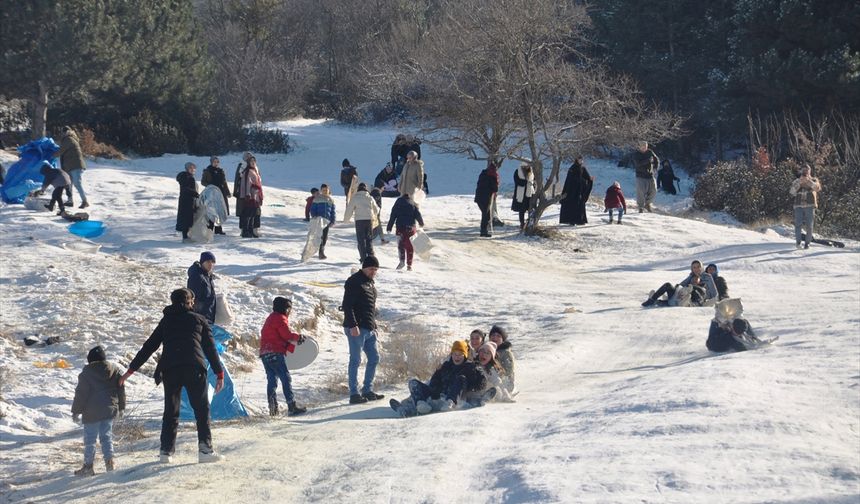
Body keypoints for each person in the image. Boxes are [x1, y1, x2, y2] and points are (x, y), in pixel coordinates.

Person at [119, 288, 225, 464]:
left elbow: (149, 346)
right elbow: (210, 348)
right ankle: (205, 451)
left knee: (171, 411)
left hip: (170, 369)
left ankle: (165, 452)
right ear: (190, 302)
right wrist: (219, 372)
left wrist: (130, 371)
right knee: (201, 409)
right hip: (194, 367)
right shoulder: (199, 320)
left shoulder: (166, 321)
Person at [391, 340, 485, 417]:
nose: (457, 357)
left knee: (460, 378)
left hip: (454, 400)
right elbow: (434, 382)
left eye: (460, 354)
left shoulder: (470, 367)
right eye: (455, 354)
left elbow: (479, 384)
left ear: (465, 355)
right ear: (451, 354)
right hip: (439, 397)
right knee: (413, 382)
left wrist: (477, 394)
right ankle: (420, 405)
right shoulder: (445, 366)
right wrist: (435, 388)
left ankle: (450, 403)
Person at [71, 345, 126, 476]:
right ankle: (110, 463)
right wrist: (122, 406)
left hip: (92, 412)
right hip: (108, 411)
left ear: (90, 360)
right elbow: (121, 389)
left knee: (90, 440)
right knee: (106, 438)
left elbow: (81, 394)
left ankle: (88, 467)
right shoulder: (115, 371)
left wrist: (76, 411)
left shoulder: (86, 374)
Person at [341, 256, 384, 404]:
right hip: (356, 328)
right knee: (355, 360)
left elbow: (369, 307)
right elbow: (347, 305)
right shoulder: (354, 281)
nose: (373, 272)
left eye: (376, 270)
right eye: (371, 269)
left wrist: (374, 325)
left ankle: (367, 390)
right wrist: (353, 325)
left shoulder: (370, 283)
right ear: (364, 267)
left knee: (374, 358)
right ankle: (354, 394)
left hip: (369, 327)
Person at [259, 296, 307, 416]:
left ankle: (273, 409)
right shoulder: (280, 318)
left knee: (272, 381)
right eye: (289, 309)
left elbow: (275, 336)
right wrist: (298, 337)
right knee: (285, 378)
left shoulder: (270, 318)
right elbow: (287, 335)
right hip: (275, 353)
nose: (290, 312)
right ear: (285, 309)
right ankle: (291, 405)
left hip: (265, 353)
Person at [641, 260, 718, 308]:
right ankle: (652, 300)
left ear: (702, 267)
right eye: (694, 267)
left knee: (693, 288)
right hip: (682, 296)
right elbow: (680, 285)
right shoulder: (691, 276)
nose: (696, 269)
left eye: (698, 267)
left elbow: (714, 294)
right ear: (692, 269)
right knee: (667, 285)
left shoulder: (707, 277)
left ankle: (683, 303)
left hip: (696, 298)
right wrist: (675, 289)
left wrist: (708, 300)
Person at [463, 341, 514, 406]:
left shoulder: (490, 369)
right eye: (482, 351)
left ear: (491, 358)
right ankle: (470, 399)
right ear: (478, 352)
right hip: (469, 391)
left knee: (495, 389)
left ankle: (483, 398)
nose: (484, 354)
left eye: (487, 353)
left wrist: (506, 396)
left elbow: (498, 382)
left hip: (482, 392)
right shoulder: (472, 364)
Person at [343, 182, 380, 263]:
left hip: (359, 221)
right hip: (369, 220)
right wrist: (373, 215)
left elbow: (349, 209)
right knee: (369, 239)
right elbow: (377, 209)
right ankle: (370, 257)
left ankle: (363, 258)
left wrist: (346, 220)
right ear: (366, 189)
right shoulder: (369, 197)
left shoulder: (355, 198)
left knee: (361, 240)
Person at [53, 126, 89, 209]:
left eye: (62, 132)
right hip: (70, 166)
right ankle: (70, 201)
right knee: (69, 184)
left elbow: (61, 151)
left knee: (77, 183)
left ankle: (85, 201)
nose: (61, 134)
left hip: (75, 165)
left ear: (66, 132)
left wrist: (50, 155)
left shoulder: (68, 139)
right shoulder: (69, 139)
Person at [387, 192, 424, 271]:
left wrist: (389, 227)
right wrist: (421, 223)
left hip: (400, 228)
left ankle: (402, 262)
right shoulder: (412, 204)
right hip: (411, 228)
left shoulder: (397, 203)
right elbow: (418, 214)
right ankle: (409, 265)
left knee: (401, 246)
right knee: (410, 247)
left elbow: (393, 216)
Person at [789, 164, 822, 249]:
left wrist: (808, 182)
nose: (805, 172)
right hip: (798, 205)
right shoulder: (796, 181)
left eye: (807, 170)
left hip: (810, 205)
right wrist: (799, 183)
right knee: (798, 224)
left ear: (809, 171)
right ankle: (798, 243)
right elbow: (792, 192)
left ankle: (807, 243)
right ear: (801, 171)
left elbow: (817, 188)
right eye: (804, 170)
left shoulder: (814, 180)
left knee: (809, 225)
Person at [559, 156, 595, 225]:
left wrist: (590, 179)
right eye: (579, 160)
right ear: (577, 160)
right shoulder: (572, 168)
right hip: (572, 191)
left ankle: (580, 220)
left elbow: (587, 177)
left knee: (580, 205)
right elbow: (570, 180)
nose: (581, 161)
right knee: (572, 206)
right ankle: (571, 221)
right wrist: (579, 181)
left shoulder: (583, 168)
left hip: (580, 191)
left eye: (582, 160)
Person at [201, 156, 231, 235]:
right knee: (211, 210)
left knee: (220, 210)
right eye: (214, 161)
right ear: (211, 162)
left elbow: (224, 182)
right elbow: (203, 182)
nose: (216, 163)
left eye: (217, 162)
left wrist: (227, 192)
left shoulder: (221, 171)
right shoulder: (207, 171)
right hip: (211, 193)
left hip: (220, 193)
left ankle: (218, 229)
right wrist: (211, 186)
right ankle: (210, 229)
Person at [187, 251, 217, 325]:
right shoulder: (197, 276)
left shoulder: (207, 276)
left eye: (212, 262)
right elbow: (193, 298)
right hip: (200, 317)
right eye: (208, 262)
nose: (211, 264)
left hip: (207, 315)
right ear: (202, 262)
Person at [309, 184, 336, 259]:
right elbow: (313, 209)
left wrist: (333, 220)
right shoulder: (317, 199)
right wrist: (314, 216)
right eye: (323, 190)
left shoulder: (330, 199)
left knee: (325, 237)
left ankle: (321, 250)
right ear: (321, 190)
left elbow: (333, 211)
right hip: (319, 220)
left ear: (328, 190)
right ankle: (320, 252)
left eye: (326, 190)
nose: (325, 191)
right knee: (319, 236)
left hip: (327, 221)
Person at [239, 156, 263, 238]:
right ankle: (246, 231)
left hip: (256, 195)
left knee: (253, 214)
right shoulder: (248, 171)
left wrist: (260, 195)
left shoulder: (255, 170)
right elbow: (247, 184)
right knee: (248, 214)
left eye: (254, 161)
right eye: (251, 161)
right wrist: (248, 194)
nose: (253, 162)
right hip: (250, 196)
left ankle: (250, 230)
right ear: (248, 163)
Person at [632, 141, 659, 212]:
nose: (644, 148)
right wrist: (647, 160)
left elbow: (656, 160)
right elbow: (638, 164)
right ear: (639, 147)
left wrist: (656, 167)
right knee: (640, 192)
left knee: (654, 190)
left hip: (650, 175)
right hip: (640, 175)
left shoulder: (650, 152)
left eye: (646, 147)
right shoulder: (636, 154)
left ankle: (647, 204)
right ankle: (640, 207)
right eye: (643, 147)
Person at [475, 161, 500, 237]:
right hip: (486, 198)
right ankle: (483, 231)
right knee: (486, 215)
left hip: (479, 197)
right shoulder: (492, 176)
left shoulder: (482, 174)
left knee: (485, 214)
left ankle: (484, 230)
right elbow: (495, 188)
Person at [488, 325, 515, 393]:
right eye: (493, 335)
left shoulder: (506, 353)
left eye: (498, 336)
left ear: (503, 340)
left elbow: (508, 371)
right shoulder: (487, 350)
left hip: (505, 384)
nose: (495, 337)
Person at [176, 162, 198, 241]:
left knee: (189, 219)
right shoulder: (186, 177)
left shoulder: (190, 177)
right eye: (190, 168)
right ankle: (185, 237)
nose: (192, 169)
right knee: (185, 219)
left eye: (193, 168)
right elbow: (186, 189)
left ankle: (187, 235)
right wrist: (195, 194)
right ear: (187, 169)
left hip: (190, 200)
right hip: (186, 201)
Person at [511, 163, 536, 231]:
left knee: (530, 208)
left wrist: (533, 187)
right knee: (521, 209)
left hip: (529, 193)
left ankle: (529, 223)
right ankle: (522, 223)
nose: (526, 167)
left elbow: (534, 181)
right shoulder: (517, 171)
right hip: (521, 193)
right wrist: (526, 182)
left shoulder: (531, 172)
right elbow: (517, 181)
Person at [233, 152, 252, 231]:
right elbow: (237, 178)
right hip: (241, 190)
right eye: (246, 156)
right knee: (242, 210)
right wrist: (235, 191)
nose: (247, 158)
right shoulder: (241, 165)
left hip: (251, 191)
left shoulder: (253, 166)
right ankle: (242, 229)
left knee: (250, 210)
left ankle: (250, 228)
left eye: (249, 157)